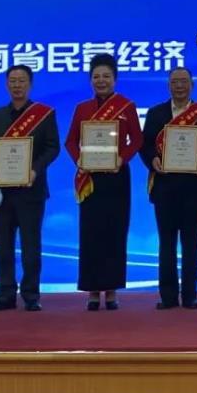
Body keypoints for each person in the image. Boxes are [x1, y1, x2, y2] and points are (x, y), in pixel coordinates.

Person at [139, 67, 197, 310]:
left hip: (194, 188)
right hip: (164, 187)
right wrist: (152, 160)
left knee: (191, 244)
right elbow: (145, 146)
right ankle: (167, 296)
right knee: (166, 244)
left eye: (184, 81)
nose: (179, 86)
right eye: (175, 82)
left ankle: (190, 296)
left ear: (192, 85)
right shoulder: (156, 113)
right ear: (169, 85)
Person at [64, 54, 143, 311]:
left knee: (114, 232)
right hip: (90, 178)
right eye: (96, 76)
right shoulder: (82, 108)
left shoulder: (126, 106)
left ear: (115, 79)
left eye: (106, 76)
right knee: (91, 233)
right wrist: (79, 159)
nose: (101, 80)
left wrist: (123, 158)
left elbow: (137, 140)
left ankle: (111, 290)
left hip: (117, 177)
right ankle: (92, 289)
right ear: (90, 80)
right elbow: (70, 141)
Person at [0, 65, 60, 312]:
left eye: (22, 80)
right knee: (3, 246)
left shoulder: (44, 114)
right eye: (12, 81)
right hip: (2, 191)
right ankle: (5, 294)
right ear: (6, 84)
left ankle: (31, 295)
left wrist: (35, 170)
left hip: (31, 190)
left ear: (30, 84)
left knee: (31, 247)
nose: (17, 85)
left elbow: (52, 147)